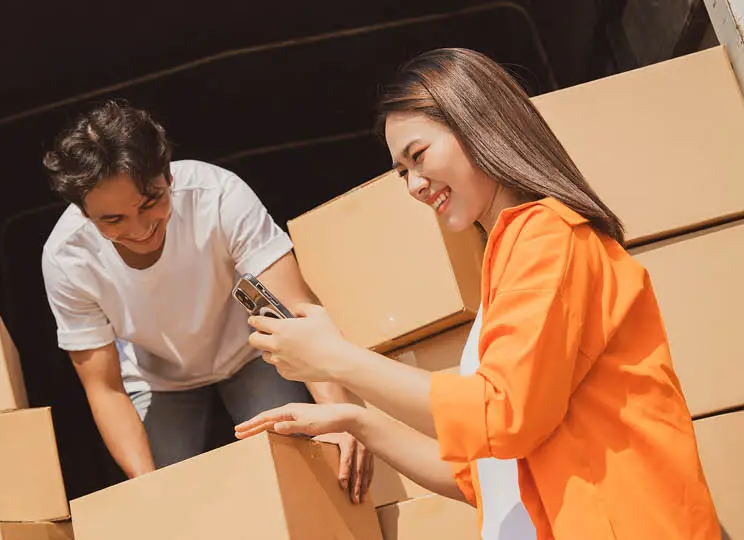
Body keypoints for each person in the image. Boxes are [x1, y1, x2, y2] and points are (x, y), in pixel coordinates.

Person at [235, 48, 720, 538]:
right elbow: (484, 473)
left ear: (476, 124)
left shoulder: (546, 237)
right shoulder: (511, 259)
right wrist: (353, 421)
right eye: (402, 171)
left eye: (417, 156)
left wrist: (335, 359)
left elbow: (502, 416)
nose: (413, 185)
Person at [40, 100, 371, 502]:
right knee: (172, 502)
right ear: (84, 213)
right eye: (114, 220)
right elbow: (105, 389)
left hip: (254, 351)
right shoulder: (66, 258)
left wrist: (339, 418)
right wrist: (149, 487)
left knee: (302, 472)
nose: (141, 229)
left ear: (167, 173)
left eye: (151, 203)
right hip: (157, 378)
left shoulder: (218, 195)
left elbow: (296, 312)